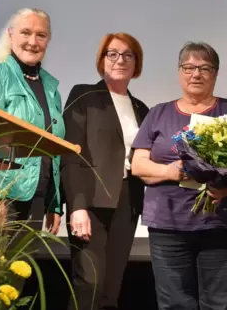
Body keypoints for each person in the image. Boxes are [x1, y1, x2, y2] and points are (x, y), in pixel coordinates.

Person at [131, 42, 227, 310]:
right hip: (168, 227)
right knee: (175, 304)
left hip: (223, 226)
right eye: (189, 67)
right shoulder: (159, 113)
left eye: (204, 68)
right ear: (179, 72)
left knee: (222, 304)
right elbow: (139, 165)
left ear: (215, 74)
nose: (196, 74)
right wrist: (171, 170)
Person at [61, 32, 149, 310]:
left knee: (112, 288)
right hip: (91, 203)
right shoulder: (84, 95)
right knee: (89, 283)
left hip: (128, 201)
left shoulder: (141, 108)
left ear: (137, 63)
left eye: (128, 54)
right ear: (102, 60)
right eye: (112, 53)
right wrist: (76, 207)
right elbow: (70, 154)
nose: (120, 60)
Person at [0, 8, 64, 235]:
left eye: (41, 35)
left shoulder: (51, 88)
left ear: (48, 40)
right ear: (10, 34)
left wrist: (54, 203)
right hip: (1, 196)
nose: (33, 41)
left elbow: (54, 148)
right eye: (25, 33)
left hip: (36, 196)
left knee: (21, 269)